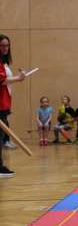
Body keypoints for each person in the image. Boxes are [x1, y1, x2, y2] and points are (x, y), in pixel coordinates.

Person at [0, 34, 26, 177]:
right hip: (0, 105)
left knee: (2, 136)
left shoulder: (4, 62)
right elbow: (2, 81)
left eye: (7, 45)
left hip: (4, 104)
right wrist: (19, 78)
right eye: (2, 45)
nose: (5, 48)